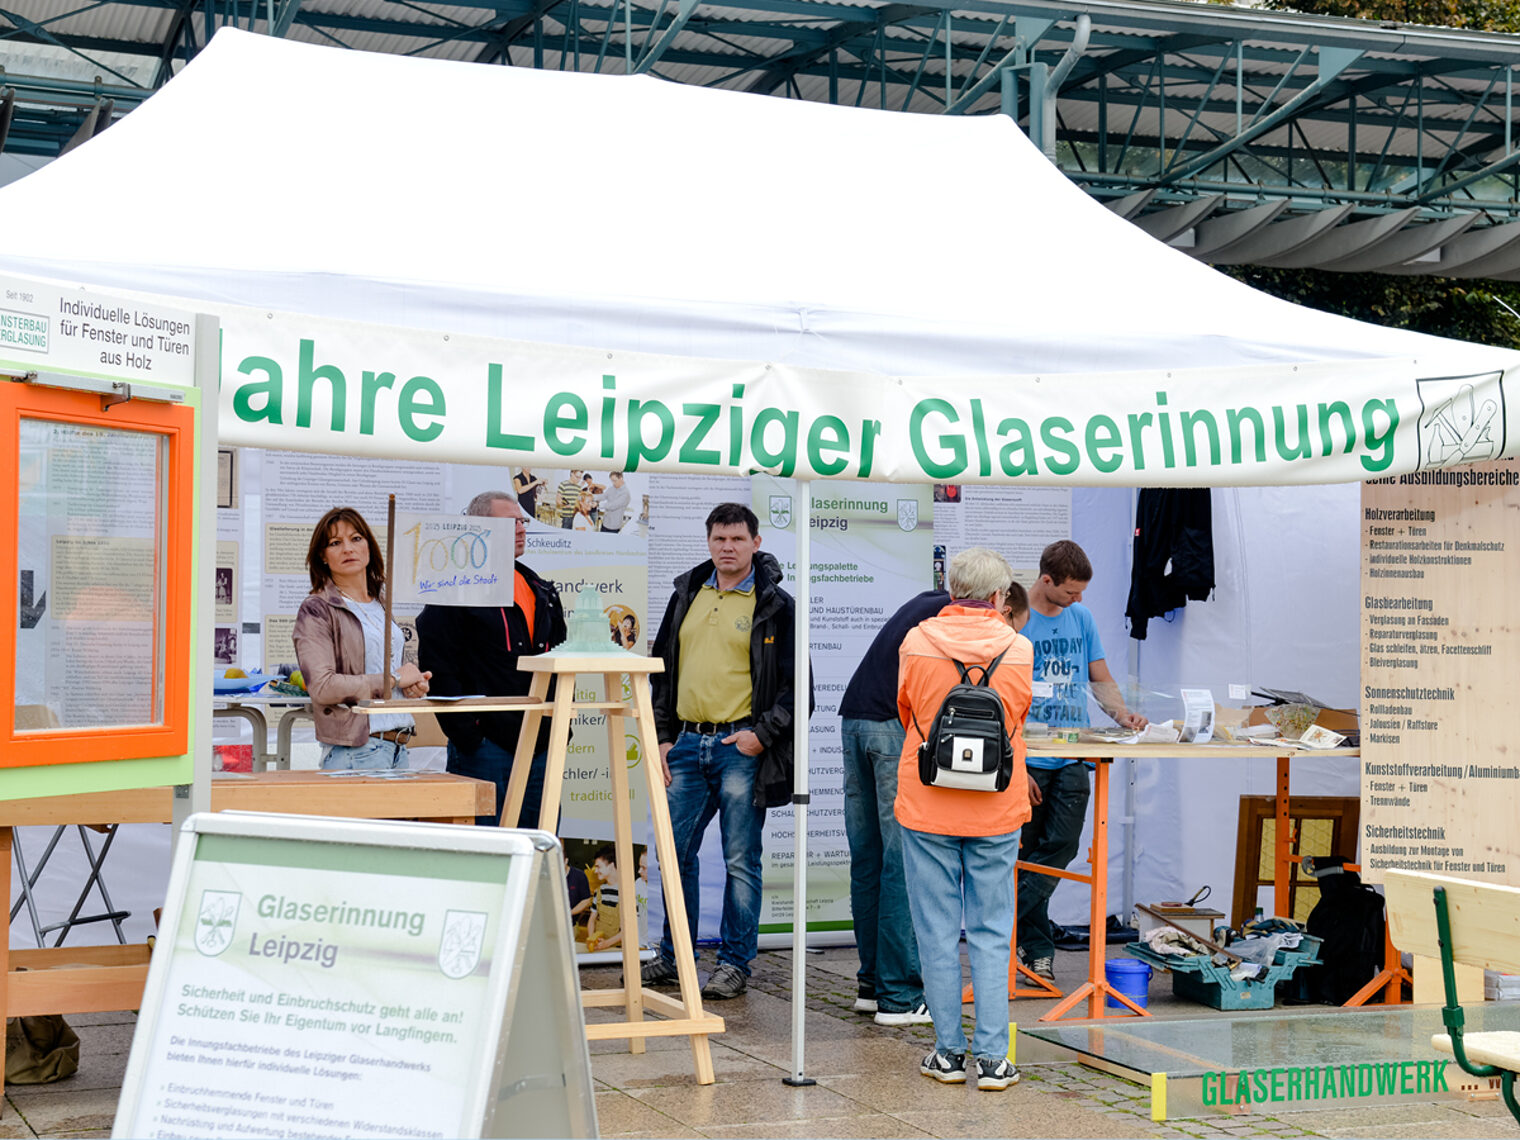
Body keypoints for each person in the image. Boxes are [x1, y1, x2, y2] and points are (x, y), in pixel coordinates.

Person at [643, 503, 809, 1001]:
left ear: (756, 543)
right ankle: (675, 957)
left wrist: (761, 735)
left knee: (740, 860)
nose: (727, 547)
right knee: (674, 855)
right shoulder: (686, 595)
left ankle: (735, 963)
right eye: (719, 539)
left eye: (737, 539)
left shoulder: (776, 604)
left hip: (741, 746)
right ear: (708, 541)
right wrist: (663, 736)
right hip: (687, 744)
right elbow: (662, 672)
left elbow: (799, 688)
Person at [896, 547, 1032, 1091]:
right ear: (1000, 597)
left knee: (934, 928)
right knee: (993, 929)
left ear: (952, 589)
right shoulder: (1019, 648)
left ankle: (948, 1053)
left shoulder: (917, 640)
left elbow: (907, 711)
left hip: (927, 802)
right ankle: (995, 1059)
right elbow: (1018, 718)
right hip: (996, 806)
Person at [1016, 540, 1148, 982]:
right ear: (1046, 580)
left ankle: (1004, 916)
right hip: (1032, 755)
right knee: (1027, 853)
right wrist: (1014, 762)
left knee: (1064, 847)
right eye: (1071, 592)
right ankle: (1036, 950)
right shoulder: (1017, 621)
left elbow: (1100, 676)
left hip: (1074, 753)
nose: (1079, 600)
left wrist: (1122, 713)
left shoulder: (1082, 618)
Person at [416, 491, 567, 826]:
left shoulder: (540, 589)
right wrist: (470, 735)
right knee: (485, 855)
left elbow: (560, 661)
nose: (521, 529)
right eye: (509, 522)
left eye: (522, 521)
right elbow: (437, 664)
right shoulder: (454, 588)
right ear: (479, 528)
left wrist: (557, 727)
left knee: (537, 852)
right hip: (486, 749)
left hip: (540, 746)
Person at [838, 585, 949, 1027]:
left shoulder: (922, 600)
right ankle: (899, 996)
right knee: (901, 862)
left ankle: (872, 985)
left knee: (868, 861)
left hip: (856, 722)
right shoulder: (958, 617)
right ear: (998, 596)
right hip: (890, 729)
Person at [293, 506, 431, 771]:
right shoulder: (316, 609)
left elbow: (384, 672)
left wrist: (410, 686)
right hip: (357, 751)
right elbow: (322, 687)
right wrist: (394, 679)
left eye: (356, 538)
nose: (348, 548)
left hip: (399, 746)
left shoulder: (380, 603)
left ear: (369, 546)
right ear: (323, 556)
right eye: (335, 543)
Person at [586, 846, 623, 952]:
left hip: (618, 949)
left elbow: (629, 929)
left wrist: (606, 944)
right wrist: (591, 939)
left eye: (598, 867)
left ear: (611, 866)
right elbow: (592, 920)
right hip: (598, 947)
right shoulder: (599, 891)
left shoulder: (628, 893)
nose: (595, 871)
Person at [566, 853, 592, 944]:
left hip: (571, 925)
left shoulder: (579, 876)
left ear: (566, 860)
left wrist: (569, 913)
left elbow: (586, 900)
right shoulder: (547, 875)